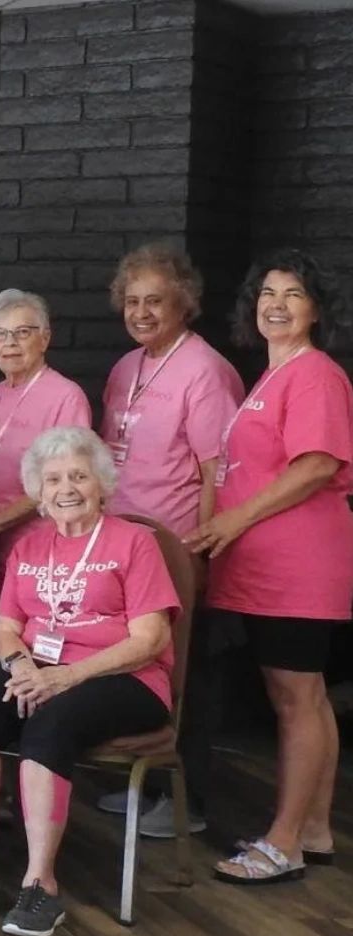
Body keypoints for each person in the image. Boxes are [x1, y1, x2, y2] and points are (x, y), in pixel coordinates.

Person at [0, 427, 179, 936]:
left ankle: (40, 884)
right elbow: (6, 628)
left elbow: (150, 638)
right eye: (53, 479)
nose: (66, 488)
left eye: (79, 476)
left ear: (102, 484)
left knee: (50, 726)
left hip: (123, 676)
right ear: (38, 493)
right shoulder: (29, 548)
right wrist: (22, 667)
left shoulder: (135, 543)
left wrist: (66, 677)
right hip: (37, 670)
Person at [189, 250, 353, 884]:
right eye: (267, 294)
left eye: (293, 294)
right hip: (267, 567)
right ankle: (313, 829)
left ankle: (283, 842)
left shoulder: (315, 375)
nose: (276, 305)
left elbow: (316, 464)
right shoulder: (272, 375)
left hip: (298, 565)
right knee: (305, 697)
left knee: (296, 699)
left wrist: (232, 520)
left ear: (317, 309)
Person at [93, 243, 243, 837]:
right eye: (132, 301)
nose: (142, 312)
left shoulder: (205, 370)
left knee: (188, 673)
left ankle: (190, 803)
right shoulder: (125, 368)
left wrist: (200, 554)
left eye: (155, 300)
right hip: (125, 549)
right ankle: (146, 784)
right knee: (141, 665)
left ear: (184, 303)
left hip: (176, 547)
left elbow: (217, 471)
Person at [0, 289, 93, 558]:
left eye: (22, 332)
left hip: (35, 544)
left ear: (44, 339)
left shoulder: (66, 397)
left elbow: (62, 482)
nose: (10, 343)